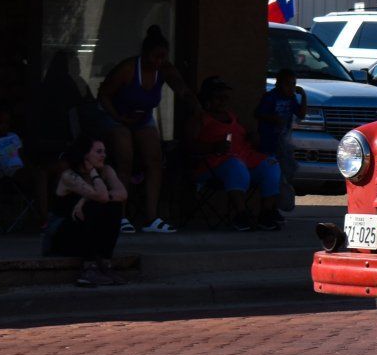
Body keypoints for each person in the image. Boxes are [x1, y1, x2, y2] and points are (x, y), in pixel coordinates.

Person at [97, 26, 195, 234]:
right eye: (155, 57)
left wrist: (196, 106)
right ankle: (120, 216)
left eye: (163, 57)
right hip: (117, 115)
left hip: (143, 118)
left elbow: (182, 89)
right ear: (145, 54)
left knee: (155, 161)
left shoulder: (165, 69)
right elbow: (104, 95)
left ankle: (152, 217)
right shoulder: (129, 69)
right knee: (125, 159)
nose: (158, 61)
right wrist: (118, 117)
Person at [186, 77, 283, 232]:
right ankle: (241, 214)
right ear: (207, 99)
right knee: (235, 166)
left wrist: (252, 137)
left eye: (226, 97)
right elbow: (188, 146)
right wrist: (213, 146)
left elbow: (246, 137)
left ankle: (266, 212)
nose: (223, 101)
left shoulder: (231, 116)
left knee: (271, 164)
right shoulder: (200, 118)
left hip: (243, 159)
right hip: (214, 165)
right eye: (218, 98)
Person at [47, 136, 126, 287]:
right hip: (62, 236)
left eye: (104, 151)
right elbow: (102, 197)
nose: (103, 155)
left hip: (85, 234)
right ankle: (88, 269)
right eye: (98, 151)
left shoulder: (107, 170)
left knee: (114, 207)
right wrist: (93, 175)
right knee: (95, 206)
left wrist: (84, 200)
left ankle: (105, 264)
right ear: (85, 155)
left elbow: (122, 194)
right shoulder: (69, 176)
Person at [253, 70, 305, 213]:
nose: (291, 87)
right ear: (279, 84)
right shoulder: (270, 97)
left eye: (294, 84)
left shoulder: (291, 98)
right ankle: (269, 208)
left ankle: (276, 206)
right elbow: (258, 113)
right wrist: (272, 119)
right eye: (288, 84)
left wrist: (303, 95)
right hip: (269, 142)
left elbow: (301, 114)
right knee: (273, 175)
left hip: (283, 143)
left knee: (285, 174)